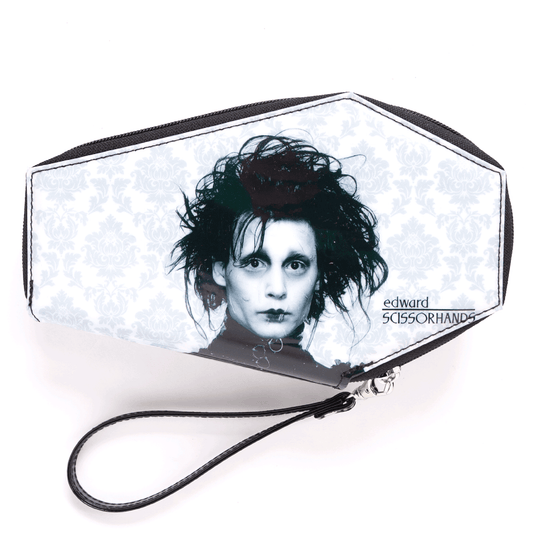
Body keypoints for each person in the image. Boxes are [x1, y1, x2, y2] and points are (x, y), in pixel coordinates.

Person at [170, 135, 388, 386]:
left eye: (295, 265)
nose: (277, 289)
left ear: (320, 275)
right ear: (220, 269)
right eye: (254, 263)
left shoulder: (335, 388)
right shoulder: (177, 382)